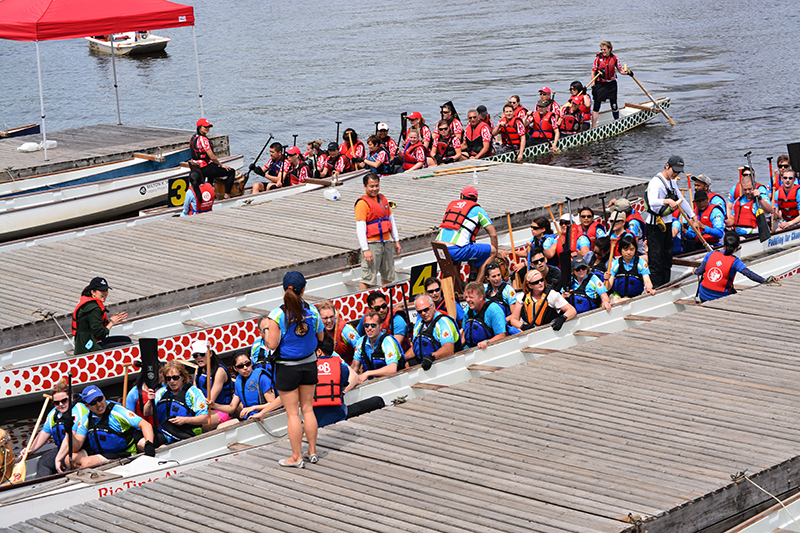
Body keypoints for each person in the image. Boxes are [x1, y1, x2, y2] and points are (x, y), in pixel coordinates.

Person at [264, 271, 324, 467]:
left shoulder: (277, 315)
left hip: (287, 367)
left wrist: (266, 332)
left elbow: (272, 345)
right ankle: (312, 451)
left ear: (284, 289)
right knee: (308, 408)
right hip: (309, 364)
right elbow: (320, 338)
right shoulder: (313, 311)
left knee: (292, 413)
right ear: (303, 289)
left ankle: (296, 456)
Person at [56, 385, 154, 472]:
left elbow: (145, 425)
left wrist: (149, 444)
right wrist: (68, 430)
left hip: (123, 452)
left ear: (104, 397)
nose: (99, 404)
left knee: (86, 463)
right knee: (69, 459)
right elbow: (75, 447)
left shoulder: (117, 411)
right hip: (101, 453)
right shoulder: (86, 419)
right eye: (93, 403)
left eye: (99, 399)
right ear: (87, 406)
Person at [643, 156, 700, 288]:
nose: (676, 174)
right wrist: (667, 201)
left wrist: (693, 216)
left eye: (679, 172)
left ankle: (666, 285)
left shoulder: (672, 182)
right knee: (656, 260)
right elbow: (652, 202)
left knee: (667, 258)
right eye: (674, 170)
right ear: (667, 166)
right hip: (654, 225)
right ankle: (657, 287)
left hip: (667, 224)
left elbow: (681, 200)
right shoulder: (655, 182)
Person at [434, 186, 502, 283]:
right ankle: (477, 284)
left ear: (461, 196)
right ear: (476, 199)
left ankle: (460, 285)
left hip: (439, 248)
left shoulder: (452, 205)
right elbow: (493, 235)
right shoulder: (478, 210)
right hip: (456, 250)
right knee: (492, 251)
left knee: (458, 255)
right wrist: (495, 253)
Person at [27, 379, 90, 476]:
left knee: (65, 464)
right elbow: (44, 433)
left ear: (71, 397)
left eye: (64, 400)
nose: (61, 404)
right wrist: (30, 450)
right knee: (44, 461)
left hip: (81, 449)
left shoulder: (80, 410)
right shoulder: (53, 414)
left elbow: (70, 438)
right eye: (57, 402)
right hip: (62, 449)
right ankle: (42, 486)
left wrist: (58, 458)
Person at [694, 231, 771, 302]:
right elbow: (749, 274)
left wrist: (694, 271)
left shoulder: (710, 254)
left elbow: (699, 271)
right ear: (738, 246)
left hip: (703, 296)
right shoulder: (735, 261)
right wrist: (765, 281)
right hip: (720, 297)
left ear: (723, 243)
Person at [355, 174, 401, 290]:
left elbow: (391, 220)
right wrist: (365, 249)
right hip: (372, 244)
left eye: (376, 185)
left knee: (388, 273)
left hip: (386, 242)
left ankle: (386, 299)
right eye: (371, 186)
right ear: (365, 187)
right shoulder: (362, 203)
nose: (374, 189)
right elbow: (360, 228)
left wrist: (396, 240)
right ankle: (364, 302)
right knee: (368, 277)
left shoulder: (383, 199)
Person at [148, 360, 209, 445]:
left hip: (187, 433)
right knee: (144, 443)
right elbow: (147, 413)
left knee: (162, 448)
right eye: (168, 378)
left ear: (183, 377)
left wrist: (185, 420)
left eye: (175, 377)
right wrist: (150, 401)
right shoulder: (162, 392)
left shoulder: (193, 392)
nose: (172, 381)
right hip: (166, 432)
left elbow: (204, 418)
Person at [217, 352, 281, 429]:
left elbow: (272, 403)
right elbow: (231, 408)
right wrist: (213, 405)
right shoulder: (239, 382)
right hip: (249, 416)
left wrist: (253, 408)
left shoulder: (262, 377)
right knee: (221, 427)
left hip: (267, 415)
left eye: (247, 364)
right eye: (240, 366)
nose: (245, 368)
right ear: (235, 368)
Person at [72, 277, 129, 355]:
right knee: (128, 346)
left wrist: (111, 322)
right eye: (102, 291)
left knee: (126, 339)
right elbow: (100, 334)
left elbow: (94, 326)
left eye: (106, 290)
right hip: (89, 348)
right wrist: (111, 323)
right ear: (93, 292)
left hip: (90, 341)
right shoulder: (93, 309)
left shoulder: (90, 303)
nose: (105, 293)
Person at [405, 294, 461, 370]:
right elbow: (415, 348)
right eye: (420, 312)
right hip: (425, 361)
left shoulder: (443, 322)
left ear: (433, 306)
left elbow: (449, 349)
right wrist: (402, 358)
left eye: (426, 309)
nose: (423, 313)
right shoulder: (418, 324)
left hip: (444, 362)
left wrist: (432, 357)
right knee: (405, 365)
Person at [313, 336, 356, 428]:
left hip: (315, 421)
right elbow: (343, 386)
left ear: (319, 352)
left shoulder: (307, 370)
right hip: (337, 418)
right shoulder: (343, 369)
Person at [351, 311, 406, 383]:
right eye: (366, 325)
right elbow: (355, 367)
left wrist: (368, 373)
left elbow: (392, 369)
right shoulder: (360, 342)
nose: (369, 328)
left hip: (395, 380)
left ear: (380, 326)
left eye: (373, 325)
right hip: (373, 382)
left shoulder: (387, 341)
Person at [191, 340, 234, 429]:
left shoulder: (219, 372)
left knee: (193, 424)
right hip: (203, 409)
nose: (199, 358)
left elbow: (211, 399)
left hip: (221, 410)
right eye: (195, 356)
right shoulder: (197, 370)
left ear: (210, 354)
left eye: (202, 354)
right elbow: (194, 393)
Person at [190, 118, 235, 199]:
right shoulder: (203, 139)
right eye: (205, 127)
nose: (207, 129)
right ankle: (227, 195)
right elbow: (211, 156)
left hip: (197, 166)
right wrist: (221, 165)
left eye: (208, 127)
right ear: (199, 127)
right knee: (231, 172)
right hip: (204, 168)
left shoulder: (194, 137)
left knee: (214, 166)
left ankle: (210, 194)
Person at [591, 41, 630, 127]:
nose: (603, 51)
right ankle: (593, 127)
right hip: (600, 84)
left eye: (605, 49)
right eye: (601, 49)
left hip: (611, 84)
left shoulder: (615, 58)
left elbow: (621, 70)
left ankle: (617, 123)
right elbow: (593, 72)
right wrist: (594, 85)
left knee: (614, 103)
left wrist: (628, 73)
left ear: (609, 49)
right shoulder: (598, 59)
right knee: (597, 104)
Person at [606, 235, 656, 299]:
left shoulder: (641, 263)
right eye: (625, 249)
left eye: (632, 249)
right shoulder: (615, 264)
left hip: (636, 297)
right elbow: (608, 287)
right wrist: (606, 279)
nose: (629, 252)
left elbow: (647, 281)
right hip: (617, 297)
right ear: (620, 250)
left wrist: (649, 288)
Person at [461, 281, 507, 350]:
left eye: (471, 297)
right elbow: (464, 331)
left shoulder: (494, 310)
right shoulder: (468, 309)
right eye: (466, 297)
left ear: (481, 297)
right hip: (470, 348)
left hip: (489, 348)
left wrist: (487, 342)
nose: (467, 300)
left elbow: (501, 335)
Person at [317, 299, 360, 365]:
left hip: (348, 367)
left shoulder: (345, 330)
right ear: (319, 318)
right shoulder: (317, 330)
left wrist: (356, 366)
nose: (329, 321)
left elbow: (360, 346)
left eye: (331, 317)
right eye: (325, 318)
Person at [484, 262, 522, 332]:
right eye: (494, 276)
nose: (497, 278)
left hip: (504, 326)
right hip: (487, 326)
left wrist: (499, 322)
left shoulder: (508, 290)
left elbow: (514, 315)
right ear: (487, 278)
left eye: (499, 275)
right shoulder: (484, 289)